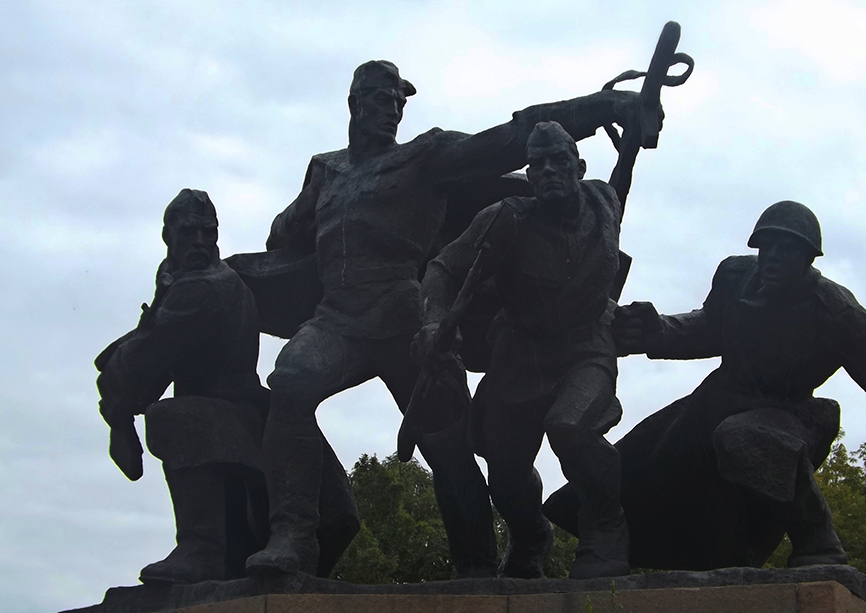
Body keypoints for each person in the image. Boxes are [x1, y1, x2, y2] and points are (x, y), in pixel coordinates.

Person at [246, 61, 644, 579]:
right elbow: (287, 234)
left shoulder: (426, 157)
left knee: (448, 447)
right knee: (292, 383)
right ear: (354, 101)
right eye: (380, 98)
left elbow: (512, 136)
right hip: (337, 319)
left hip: (406, 320)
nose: (390, 109)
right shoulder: (325, 171)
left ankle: (476, 564)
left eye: (398, 101)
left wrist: (602, 107)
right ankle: (293, 537)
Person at [547, 200, 866, 570]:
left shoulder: (835, 310)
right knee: (646, 464)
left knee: (744, 437)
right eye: (768, 248)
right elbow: (708, 328)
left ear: (808, 259)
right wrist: (656, 331)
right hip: (719, 400)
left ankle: (818, 542)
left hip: (790, 415)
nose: (773, 258)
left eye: (787, 250)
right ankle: (693, 558)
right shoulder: (735, 276)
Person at [418, 121, 629, 579]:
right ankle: (532, 535)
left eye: (560, 161)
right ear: (529, 177)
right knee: (506, 475)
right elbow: (443, 269)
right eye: (538, 165)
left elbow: (620, 192)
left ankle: (606, 529)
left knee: (570, 426)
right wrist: (435, 321)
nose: (549, 171)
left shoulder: (603, 200)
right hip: (520, 356)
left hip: (584, 347)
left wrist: (632, 143)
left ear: (579, 167)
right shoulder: (506, 218)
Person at [95, 189, 275, 584]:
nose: (198, 241)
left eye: (206, 232)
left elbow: (149, 358)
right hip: (230, 422)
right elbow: (153, 343)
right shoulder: (181, 280)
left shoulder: (206, 288)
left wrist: (117, 413)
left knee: (172, 417)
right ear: (167, 236)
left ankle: (201, 550)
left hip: (238, 422)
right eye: (188, 231)